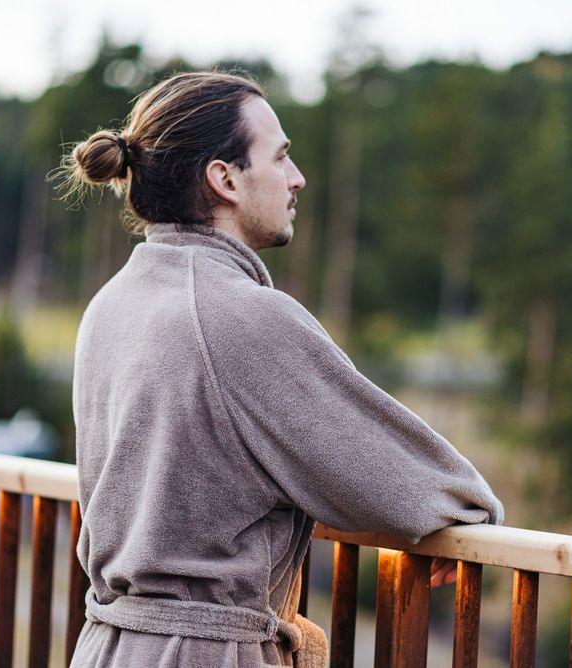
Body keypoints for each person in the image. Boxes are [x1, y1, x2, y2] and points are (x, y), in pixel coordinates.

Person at [60, 70, 504, 668]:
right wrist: (470, 514)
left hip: (108, 648)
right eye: (280, 158)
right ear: (225, 180)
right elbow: (420, 487)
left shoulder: (114, 302)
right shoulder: (242, 317)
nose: (297, 179)